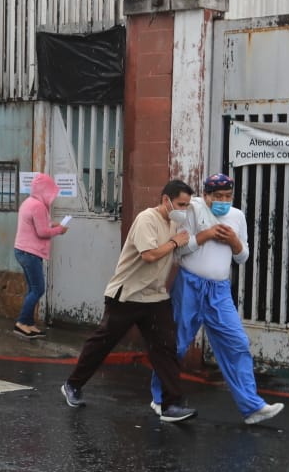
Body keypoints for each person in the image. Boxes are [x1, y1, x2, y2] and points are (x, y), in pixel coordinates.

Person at [60, 180, 197, 422]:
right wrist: (176, 242)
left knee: (166, 348)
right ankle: (73, 384)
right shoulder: (147, 219)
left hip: (155, 296)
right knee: (102, 343)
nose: (184, 209)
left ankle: (170, 405)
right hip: (127, 295)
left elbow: (175, 250)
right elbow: (149, 255)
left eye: (187, 205)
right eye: (181, 204)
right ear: (166, 200)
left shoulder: (175, 221)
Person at [160, 172, 284, 425]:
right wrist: (206, 236)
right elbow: (179, 249)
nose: (223, 200)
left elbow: (243, 256)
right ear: (206, 195)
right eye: (218, 196)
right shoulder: (192, 211)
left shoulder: (236, 216)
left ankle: (252, 407)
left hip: (219, 290)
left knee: (236, 343)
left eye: (228, 196)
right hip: (190, 285)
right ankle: (159, 399)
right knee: (177, 343)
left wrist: (235, 242)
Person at [12, 173, 69, 338]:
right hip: (29, 252)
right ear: (44, 190)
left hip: (22, 251)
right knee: (38, 289)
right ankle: (21, 323)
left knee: (32, 289)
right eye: (50, 191)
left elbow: (39, 224)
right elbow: (42, 232)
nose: (52, 196)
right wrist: (60, 230)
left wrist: (53, 224)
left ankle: (29, 324)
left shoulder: (28, 203)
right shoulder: (38, 206)